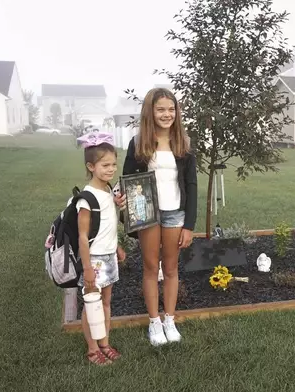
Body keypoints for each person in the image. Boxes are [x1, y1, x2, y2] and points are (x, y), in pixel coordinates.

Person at [123, 87, 197, 346]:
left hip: (175, 214)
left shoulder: (183, 144)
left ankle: (169, 319)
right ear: (150, 112)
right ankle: (154, 322)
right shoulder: (138, 143)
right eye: (160, 109)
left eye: (171, 109)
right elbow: (129, 181)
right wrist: (121, 200)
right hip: (148, 214)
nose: (167, 114)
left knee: (172, 268)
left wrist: (189, 224)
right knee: (151, 268)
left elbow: (192, 185)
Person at [75, 132, 127, 365]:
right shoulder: (87, 198)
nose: (111, 169)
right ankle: (92, 348)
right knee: (92, 305)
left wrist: (116, 246)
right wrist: (87, 268)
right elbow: (83, 237)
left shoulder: (108, 191)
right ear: (91, 166)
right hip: (93, 260)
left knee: (106, 302)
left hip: (108, 256)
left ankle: (104, 342)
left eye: (114, 164)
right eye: (105, 165)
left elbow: (107, 225)